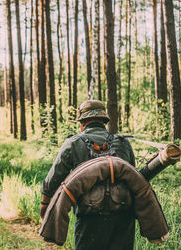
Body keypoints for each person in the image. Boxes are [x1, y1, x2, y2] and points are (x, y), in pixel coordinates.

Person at [40, 100, 136, 250]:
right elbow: (134, 179)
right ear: (104, 121)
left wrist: (45, 203)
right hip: (124, 218)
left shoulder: (73, 143)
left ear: (82, 122)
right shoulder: (123, 143)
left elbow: (54, 178)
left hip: (90, 219)